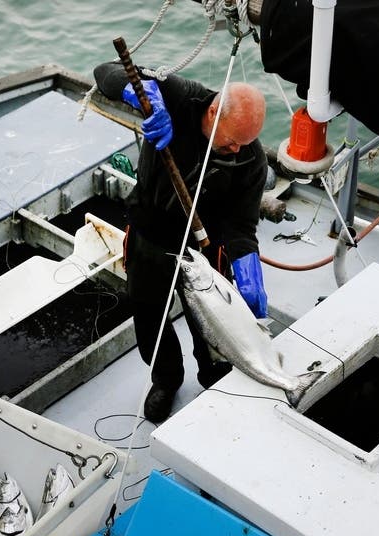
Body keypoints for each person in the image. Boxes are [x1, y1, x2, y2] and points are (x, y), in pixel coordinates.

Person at [93, 62, 269, 423]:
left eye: (246, 143)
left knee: (211, 325)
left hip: (205, 249)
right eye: (233, 139)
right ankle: (166, 379)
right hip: (150, 234)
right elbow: (105, 72)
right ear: (214, 110)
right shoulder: (177, 96)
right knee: (148, 315)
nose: (238, 150)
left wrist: (247, 263)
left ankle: (214, 377)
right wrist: (140, 93)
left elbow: (242, 224)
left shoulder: (251, 159)